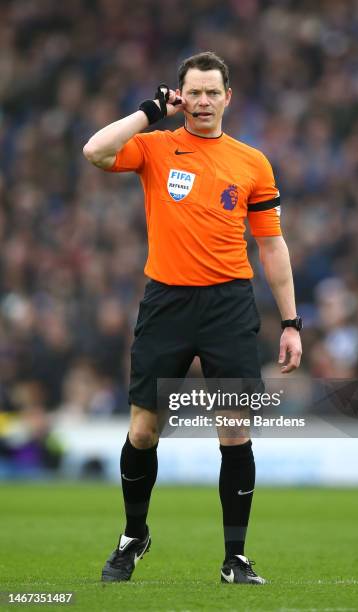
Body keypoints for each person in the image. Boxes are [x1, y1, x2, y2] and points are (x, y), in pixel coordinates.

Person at [83, 51, 302, 585]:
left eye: (212, 92)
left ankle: (235, 558)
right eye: (193, 92)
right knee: (143, 431)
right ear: (179, 95)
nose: (202, 101)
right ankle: (135, 535)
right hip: (167, 303)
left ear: (229, 97)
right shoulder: (155, 147)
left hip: (228, 305)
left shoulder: (252, 162)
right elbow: (94, 151)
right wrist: (148, 111)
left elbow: (271, 247)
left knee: (233, 432)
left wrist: (292, 323)